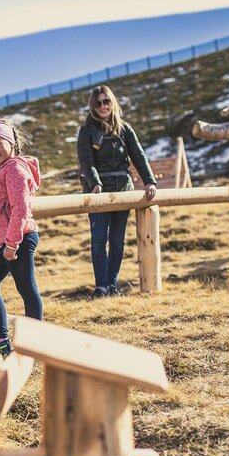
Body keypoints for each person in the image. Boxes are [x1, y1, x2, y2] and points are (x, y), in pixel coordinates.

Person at [77, 85, 157, 299]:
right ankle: (100, 287)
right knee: (98, 239)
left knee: (117, 239)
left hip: (123, 190)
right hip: (98, 194)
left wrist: (150, 181)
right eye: (98, 103)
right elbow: (86, 161)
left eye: (106, 101)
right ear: (93, 106)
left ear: (112, 103)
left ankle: (112, 285)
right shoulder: (87, 131)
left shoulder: (124, 129)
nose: (103, 106)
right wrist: (96, 184)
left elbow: (138, 156)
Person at [0, 118, 43, 357]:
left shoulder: (14, 169)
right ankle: (1, 338)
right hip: (5, 243)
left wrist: (12, 244)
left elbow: (21, 209)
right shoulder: (2, 170)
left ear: (12, 142)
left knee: (26, 288)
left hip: (19, 241)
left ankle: (36, 343)